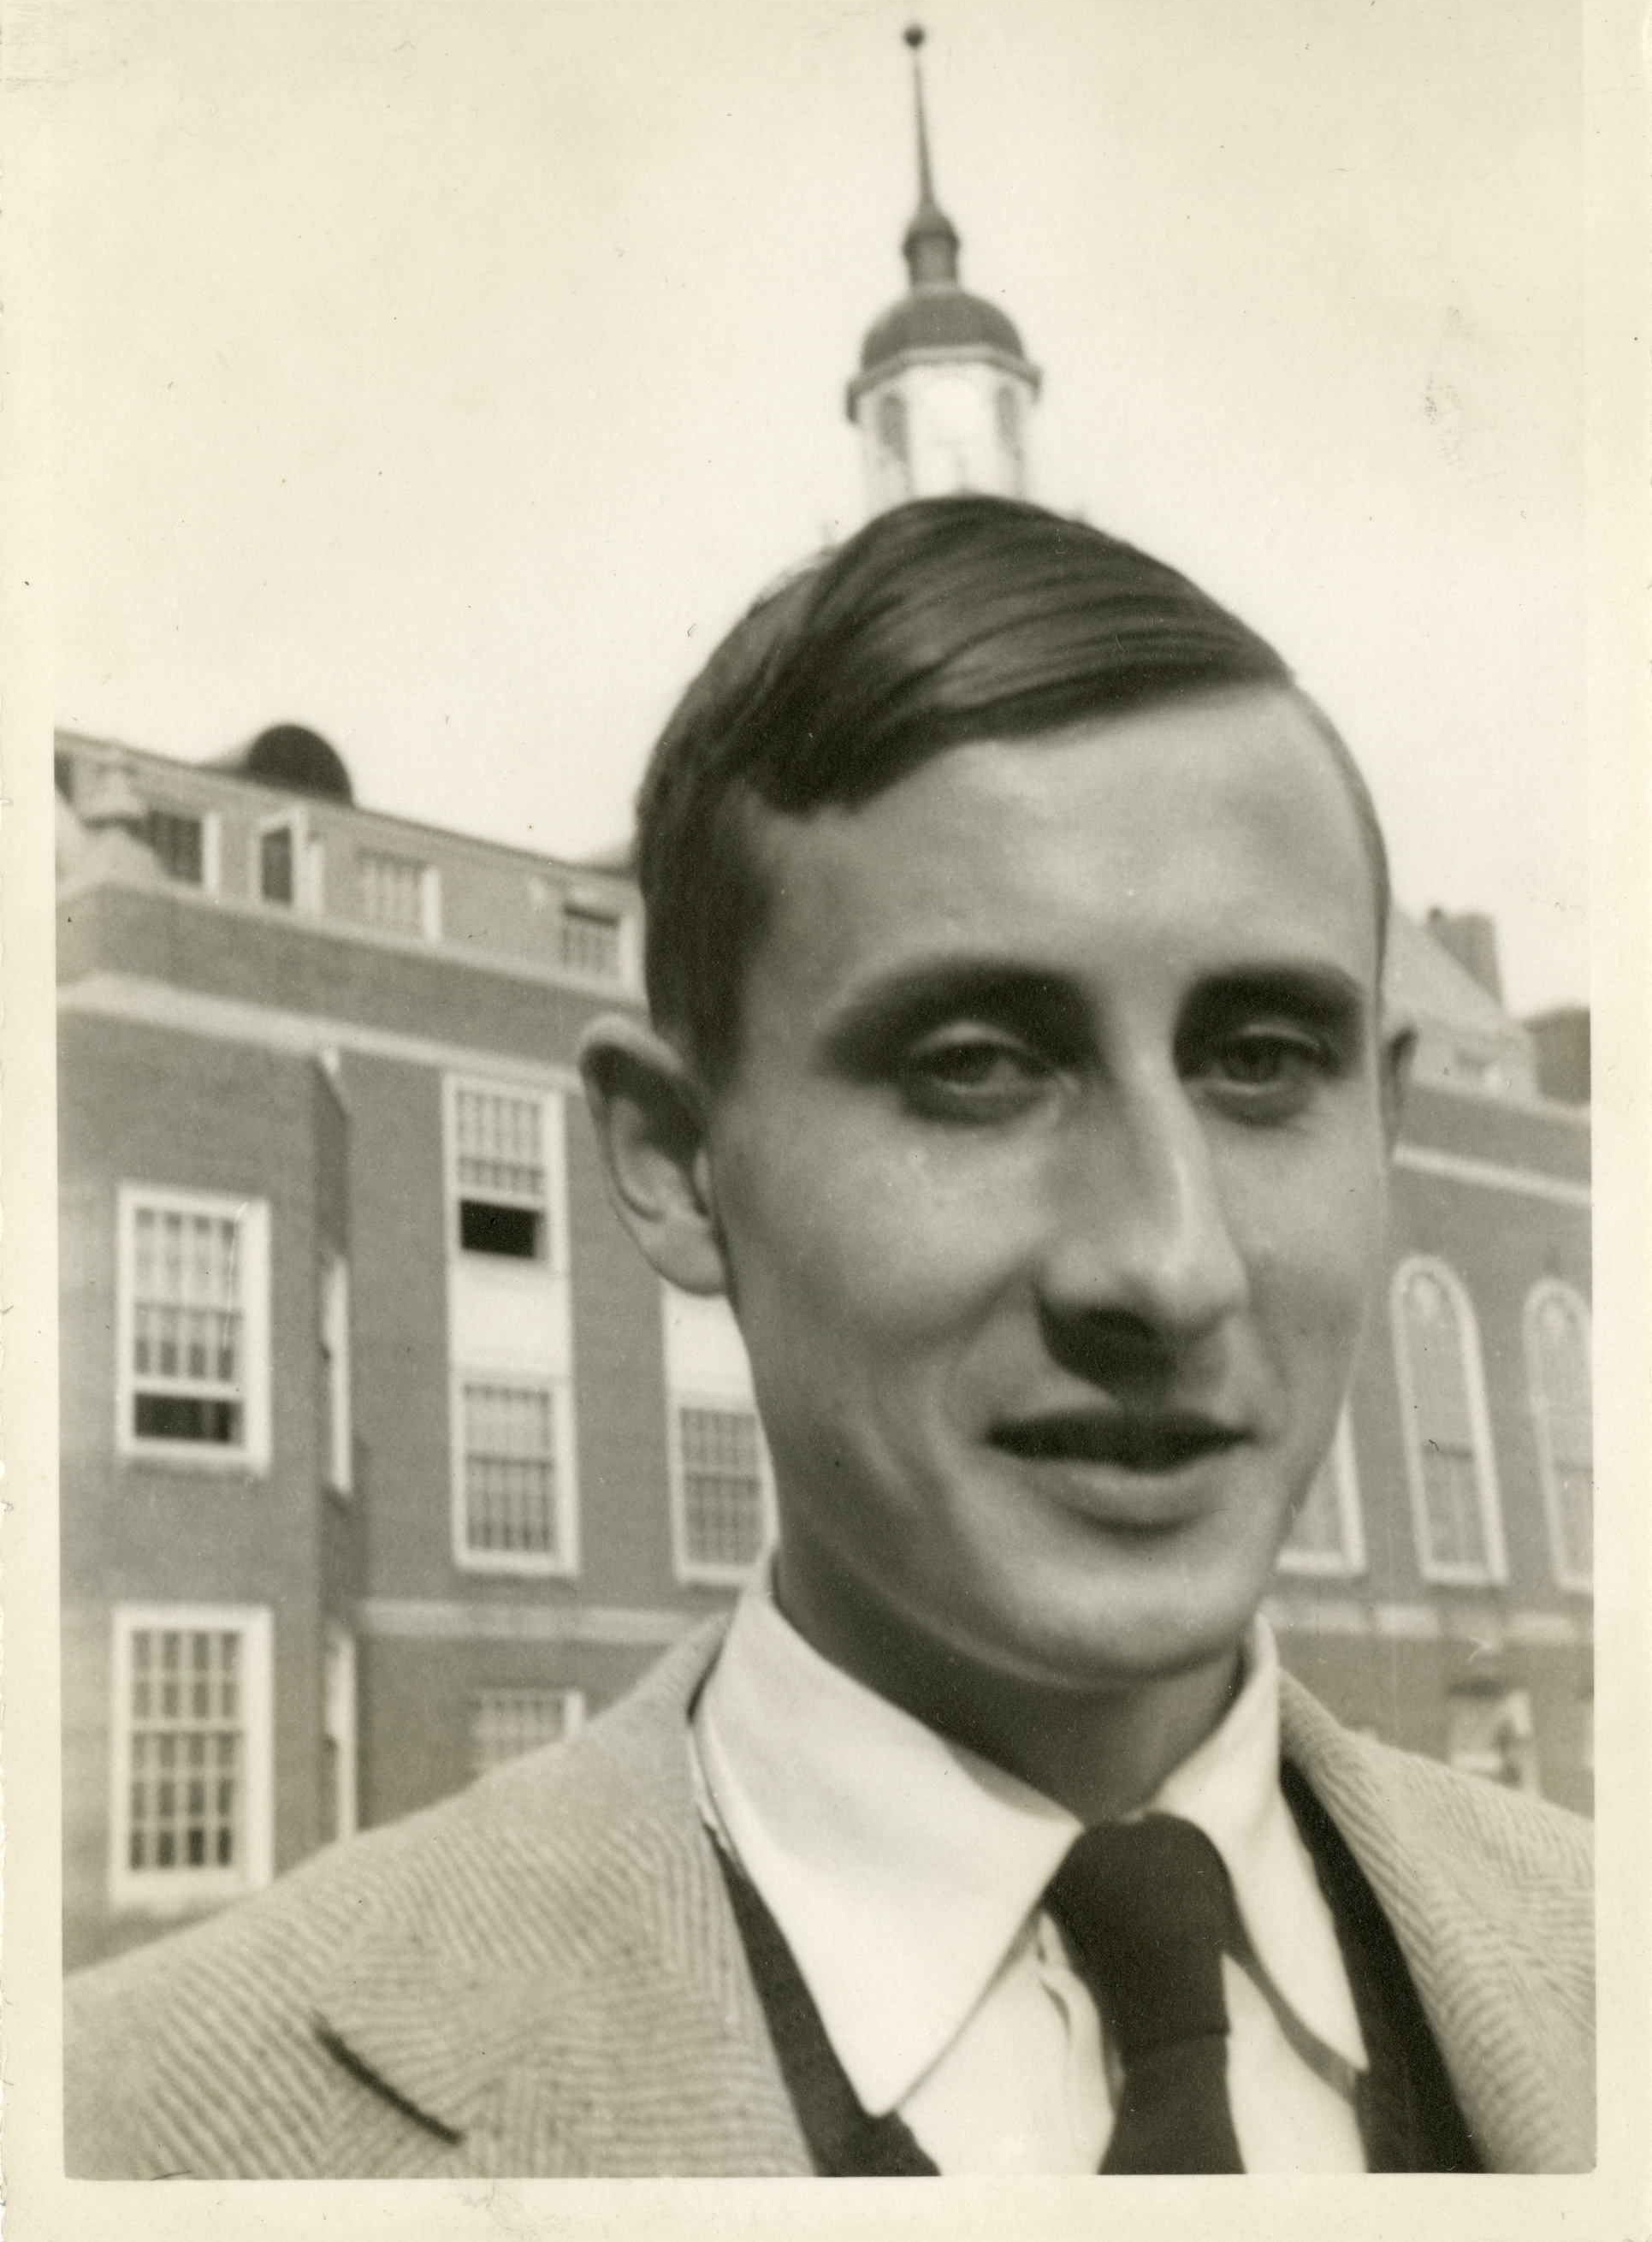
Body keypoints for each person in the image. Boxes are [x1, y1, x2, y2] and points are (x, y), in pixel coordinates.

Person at [64, 496, 1592, 2178]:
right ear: (675, 1161)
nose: (1167, 1264)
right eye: (975, 1062)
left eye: (1257, 1061)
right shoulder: (140, 2135)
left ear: (1383, 1124)